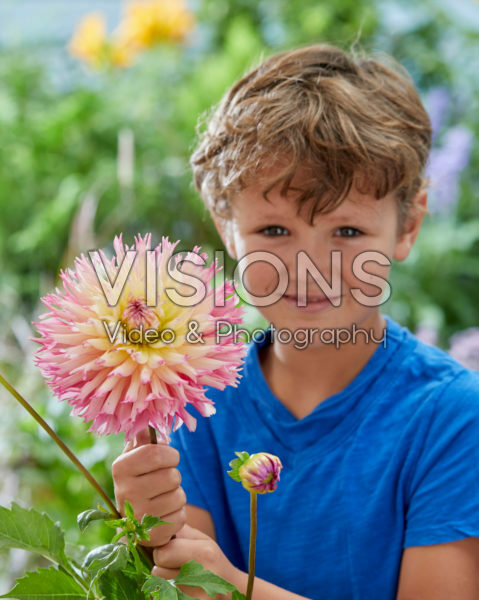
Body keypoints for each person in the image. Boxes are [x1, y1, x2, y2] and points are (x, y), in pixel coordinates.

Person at [112, 43, 479, 599]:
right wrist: (150, 536)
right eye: (275, 232)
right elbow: (185, 588)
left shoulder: (451, 418)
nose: (310, 269)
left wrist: (230, 585)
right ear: (226, 224)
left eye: (348, 233)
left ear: (408, 226)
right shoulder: (196, 399)